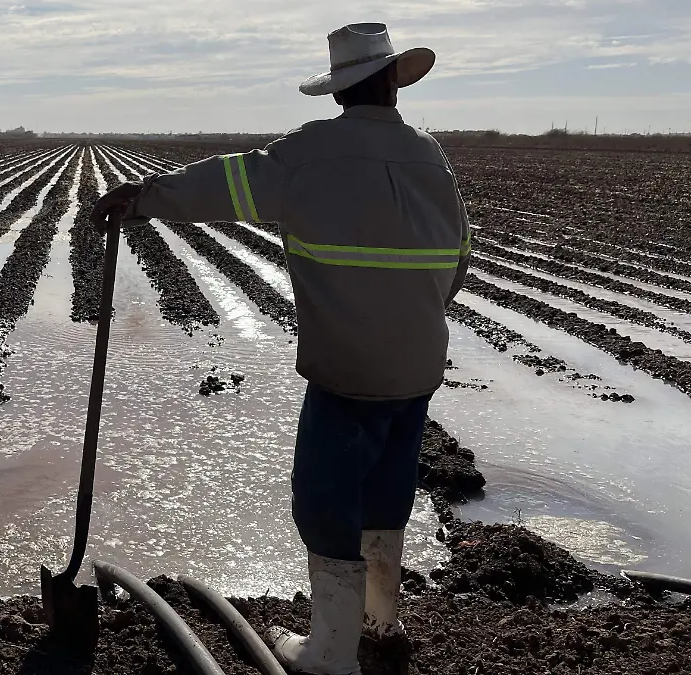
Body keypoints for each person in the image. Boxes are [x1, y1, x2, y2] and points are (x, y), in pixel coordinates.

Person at [92, 22, 470, 675]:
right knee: (386, 494)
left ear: (339, 92)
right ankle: (382, 627)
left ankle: (329, 652)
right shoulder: (431, 157)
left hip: (348, 370)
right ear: (391, 83)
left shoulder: (310, 155)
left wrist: (143, 199)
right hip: (416, 368)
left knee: (322, 501)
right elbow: (461, 260)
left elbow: (224, 184)